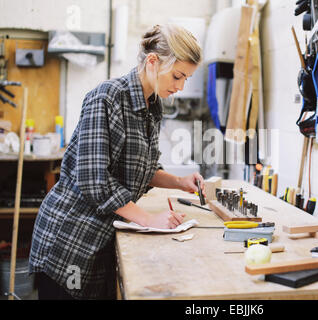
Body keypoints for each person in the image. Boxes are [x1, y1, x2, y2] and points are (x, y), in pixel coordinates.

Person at [29, 24, 205, 300]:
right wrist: (149, 220)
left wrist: (179, 182)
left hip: (102, 239)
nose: (180, 87)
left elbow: (141, 168)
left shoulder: (152, 105)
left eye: (186, 79)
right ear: (152, 61)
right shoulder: (107, 98)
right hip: (71, 241)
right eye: (177, 76)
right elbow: (94, 180)